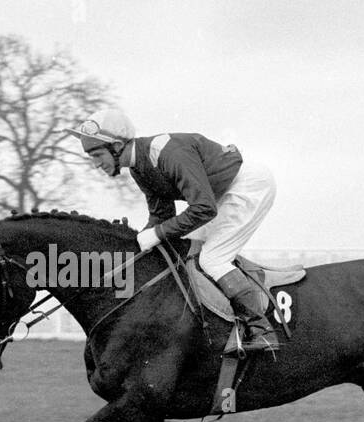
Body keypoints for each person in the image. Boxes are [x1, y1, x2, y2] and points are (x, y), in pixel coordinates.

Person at [66, 108, 279, 352]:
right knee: (189, 252)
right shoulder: (139, 168)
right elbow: (162, 217)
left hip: (247, 186)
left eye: (96, 154)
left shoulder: (166, 153)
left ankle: (262, 331)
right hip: (219, 195)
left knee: (212, 260)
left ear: (115, 146)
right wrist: (133, 244)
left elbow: (203, 208)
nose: (95, 164)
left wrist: (155, 234)